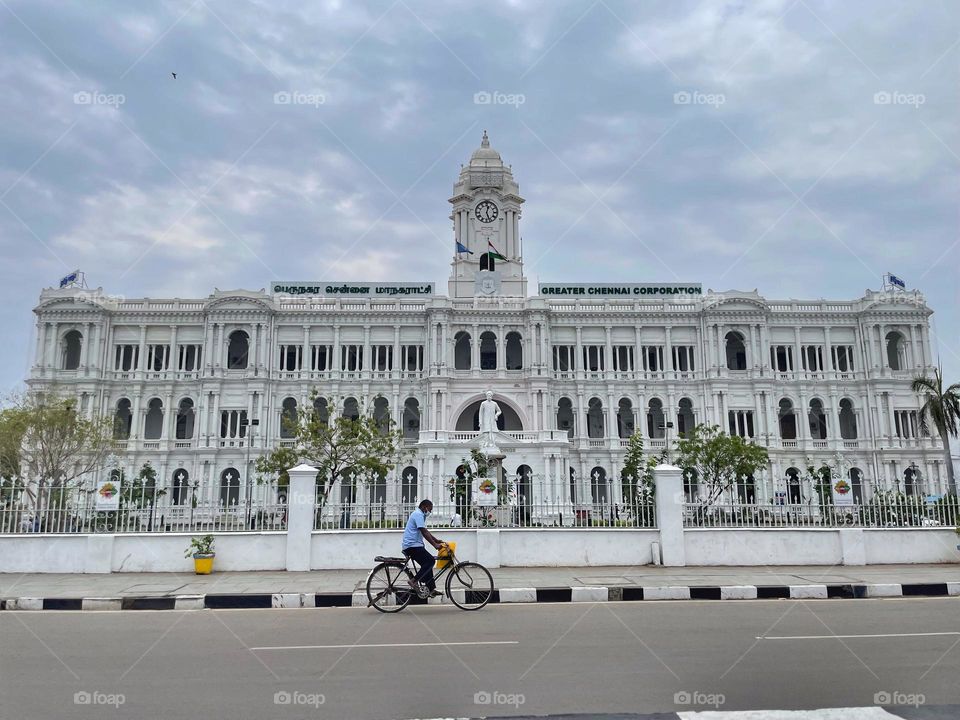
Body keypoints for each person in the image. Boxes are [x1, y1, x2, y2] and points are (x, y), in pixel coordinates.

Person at [401, 499, 445, 597]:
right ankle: (413, 581)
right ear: (425, 507)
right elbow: (424, 532)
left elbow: (425, 531)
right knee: (430, 561)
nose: (430, 512)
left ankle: (431, 589)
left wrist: (436, 540)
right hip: (412, 546)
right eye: (430, 509)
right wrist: (435, 545)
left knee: (427, 564)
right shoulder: (418, 514)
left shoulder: (420, 515)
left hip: (414, 545)